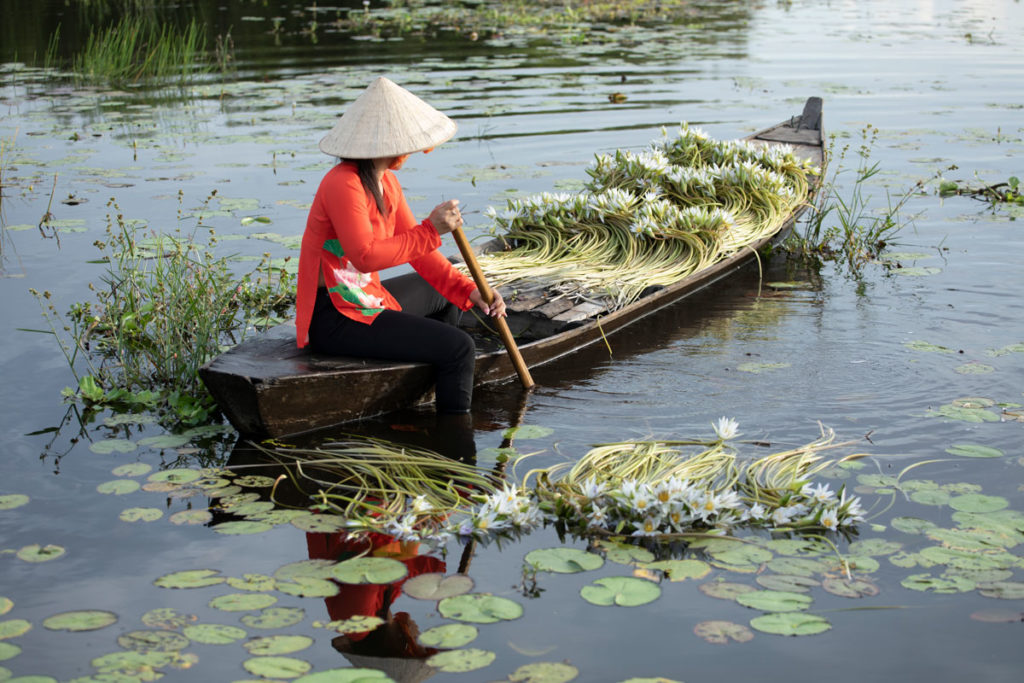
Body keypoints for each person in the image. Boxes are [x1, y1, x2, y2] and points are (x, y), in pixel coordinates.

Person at [295, 76, 505, 416]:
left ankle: (422, 387)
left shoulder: (386, 182)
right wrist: (431, 229)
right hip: (335, 315)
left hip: (365, 296)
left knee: (445, 296)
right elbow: (364, 257)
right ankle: (455, 445)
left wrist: (471, 292)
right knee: (460, 348)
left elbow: (421, 253)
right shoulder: (342, 183)